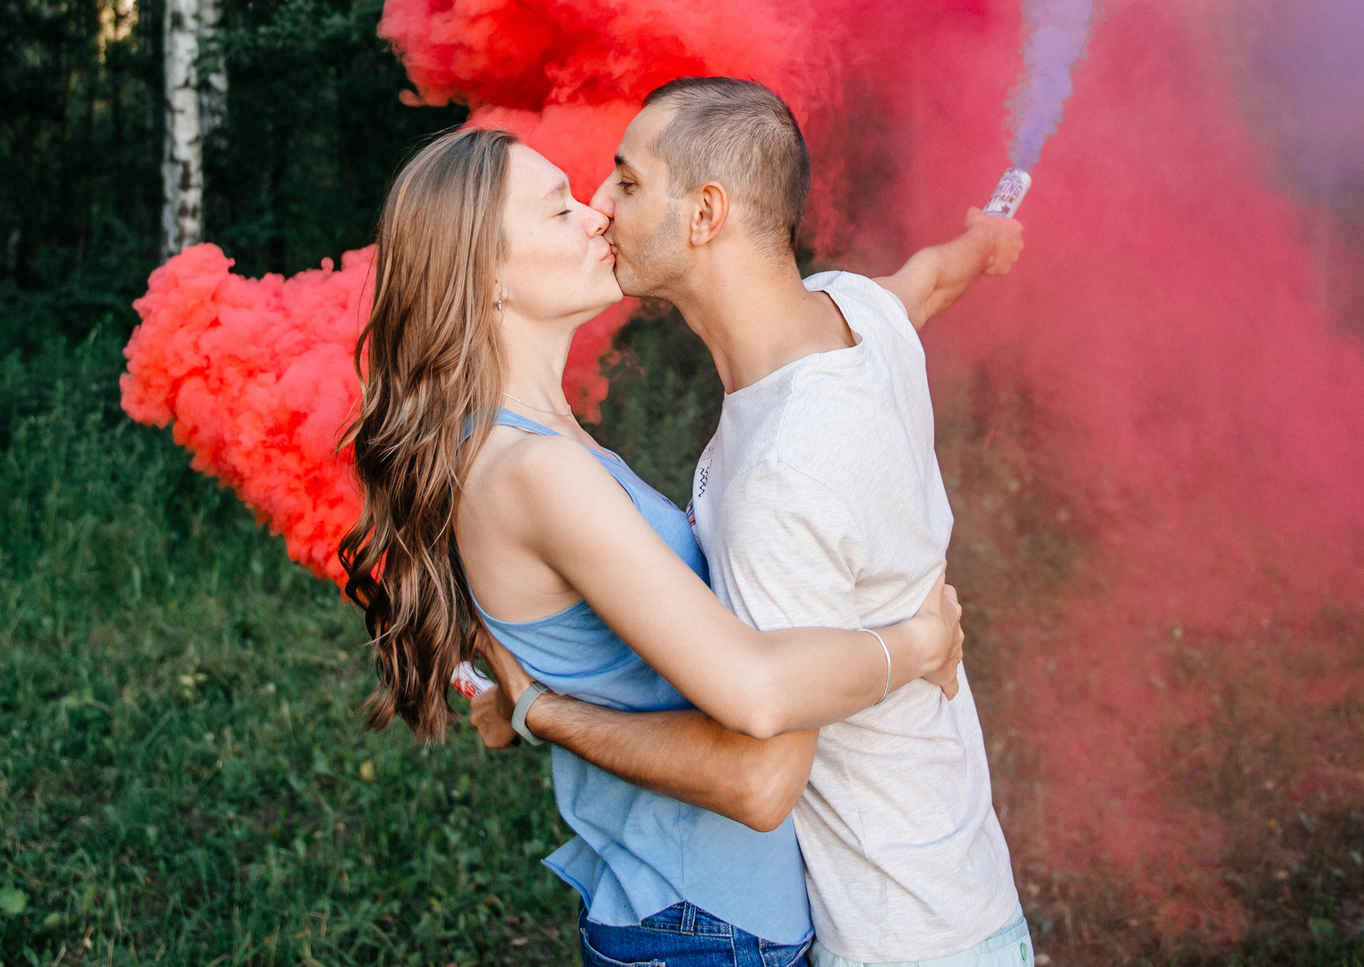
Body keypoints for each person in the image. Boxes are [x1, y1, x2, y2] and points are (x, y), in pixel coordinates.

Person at [338, 125, 969, 967]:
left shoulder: (521, 446)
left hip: (689, 916)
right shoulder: (537, 469)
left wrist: (532, 709)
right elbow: (754, 695)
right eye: (560, 209)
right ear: (486, 276)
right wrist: (919, 644)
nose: (597, 215)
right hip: (705, 927)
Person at [470, 78, 1030, 967]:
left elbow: (761, 773)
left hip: (890, 931)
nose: (603, 207)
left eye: (627, 182)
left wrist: (540, 709)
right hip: (961, 888)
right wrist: (983, 243)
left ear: (705, 215)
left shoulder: (783, 478)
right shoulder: (852, 311)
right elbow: (924, 283)